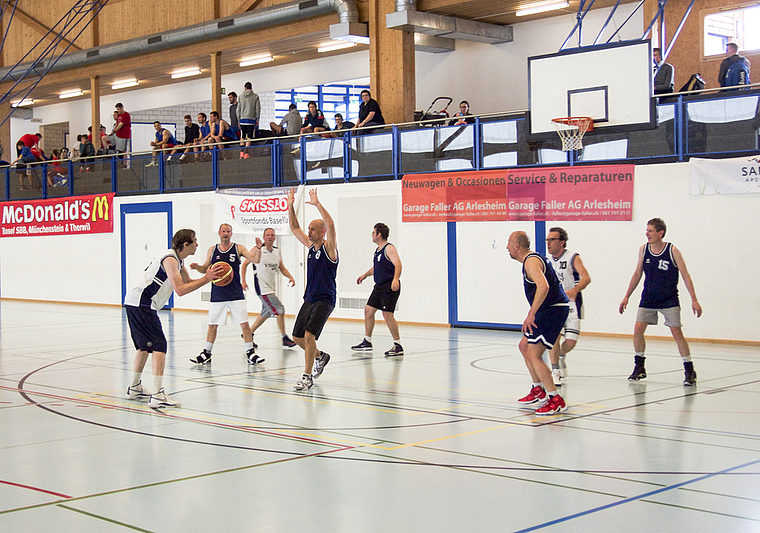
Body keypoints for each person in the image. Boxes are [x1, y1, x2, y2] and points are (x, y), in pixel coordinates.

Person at [125, 229, 223, 408]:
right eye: (195, 241)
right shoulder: (170, 259)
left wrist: (207, 276)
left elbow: (187, 283)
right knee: (159, 345)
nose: (197, 244)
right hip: (143, 302)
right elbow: (180, 289)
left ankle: (134, 387)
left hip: (136, 301)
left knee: (144, 347)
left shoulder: (179, 260)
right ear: (185, 244)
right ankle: (157, 395)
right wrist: (208, 279)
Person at [619, 218, 702, 385]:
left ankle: (689, 369)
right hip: (648, 298)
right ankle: (640, 367)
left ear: (660, 233)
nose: (646, 233)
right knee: (637, 331)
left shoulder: (672, 250)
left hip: (669, 298)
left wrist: (694, 299)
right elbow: (637, 274)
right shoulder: (644, 250)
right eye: (647, 230)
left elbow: (686, 275)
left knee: (677, 333)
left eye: (650, 230)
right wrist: (626, 295)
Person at [507, 231, 569, 416]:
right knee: (524, 347)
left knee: (534, 354)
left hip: (552, 309)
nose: (507, 247)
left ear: (517, 245)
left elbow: (544, 286)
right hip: (548, 308)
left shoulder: (531, 261)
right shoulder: (530, 260)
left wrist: (531, 314)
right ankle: (538, 390)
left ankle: (555, 399)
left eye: (509, 243)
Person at [189, 223, 263, 365]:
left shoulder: (238, 248)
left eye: (228, 231)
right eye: (223, 231)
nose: (225, 233)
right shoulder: (212, 250)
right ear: (219, 233)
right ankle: (206, 353)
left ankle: (250, 353)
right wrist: (197, 267)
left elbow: (256, 259)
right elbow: (206, 269)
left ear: (231, 233)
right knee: (212, 325)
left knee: (245, 324)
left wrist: (259, 248)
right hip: (218, 294)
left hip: (235, 293)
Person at [287, 187, 338, 391]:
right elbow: (294, 227)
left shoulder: (329, 249)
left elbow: (331, 224)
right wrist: (290, 206)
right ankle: (320, 356)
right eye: (309, 229)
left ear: (322, 232)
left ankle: (307, 377)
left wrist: (317, 205)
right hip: (309, 297)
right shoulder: (310, 246)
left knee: (309, 336)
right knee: (297, 337)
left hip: (325, 299)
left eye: (313, 229)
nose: (309, 232)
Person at [545, 227, 591, 386]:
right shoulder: (546, 261)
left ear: (562, 242)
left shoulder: (573, 257)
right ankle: (555, 370)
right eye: (547, 240)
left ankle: (561, 356)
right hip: (554, 305)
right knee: (554, 337)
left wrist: (575, 289)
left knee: (570, 341)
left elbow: (586, 277)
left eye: (552, 240)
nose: (548, 243)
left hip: (572, 304)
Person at [352, 223, 404, 357]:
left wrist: (395, 279)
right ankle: (367, 341)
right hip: (379, 286)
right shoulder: (378, 250)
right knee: (368, 310)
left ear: (379, 234)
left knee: (387, 314)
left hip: (389, 286)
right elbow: (377, 268)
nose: (372, 234)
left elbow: (398, 264)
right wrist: (365, 275)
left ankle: (398, 345)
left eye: (373, 232)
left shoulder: (389, 248)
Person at [241, 227, 298, 349]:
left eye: (272, 235)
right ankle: (284, 338)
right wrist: (244, 281)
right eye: (268, 235)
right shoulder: (258, 250)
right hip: (262, 288)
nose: (270, 237)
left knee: (266, 312)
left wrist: (290, 276)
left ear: (275, 237)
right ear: (264, 237)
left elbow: (281, 267)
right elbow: (244, 265)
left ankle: (248, 333)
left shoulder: (277, 251)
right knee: (280, 309)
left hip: (271, 287)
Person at [238, 82, 260, 159]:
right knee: (249, 136)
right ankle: (246, 153)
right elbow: (257, 109)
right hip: (251, 119)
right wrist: (257, 119)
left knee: (242, 136)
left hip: (242, 119)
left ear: (245, 88)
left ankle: (241, 153)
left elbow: (238, 109)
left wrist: (238, 119)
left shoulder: (240, 97)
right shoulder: (255, 97)